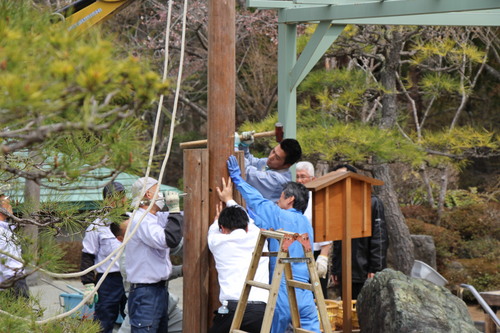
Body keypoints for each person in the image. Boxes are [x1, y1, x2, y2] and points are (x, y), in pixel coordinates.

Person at [226, 155, 320, 333]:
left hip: (283, 286)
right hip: (306, 289)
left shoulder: (280, 215)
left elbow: (257, 201)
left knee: (275, 328)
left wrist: (237, 179)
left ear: (290, 199)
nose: (278, 200)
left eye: (281, 197)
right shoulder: (306, 223)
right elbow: (265, 222)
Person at [207, 178, 269, 333]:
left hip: (233, 311)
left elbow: (213, 231)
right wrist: (229, 200)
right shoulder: (258, 237)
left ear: (222, 228)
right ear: (247, 227)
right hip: (261, 312)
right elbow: (247, 219)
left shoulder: (218, 242)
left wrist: (216, 222)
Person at [125, 177, 183, 333]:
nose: (162, 196)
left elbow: (178, 221)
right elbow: (168, 239)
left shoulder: (153, 218)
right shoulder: (141, 220)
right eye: (159, 191)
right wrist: (174, 209)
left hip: (156, 291)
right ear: (149, 194)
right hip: (146, 294)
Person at [329, 164, 389, 300]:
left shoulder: (372, 202)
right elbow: (337, 239)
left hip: (365, 269)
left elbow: (379, 238)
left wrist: (376, 269)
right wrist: (336, 268)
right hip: (344, 269)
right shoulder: (338, 204)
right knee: (345, 309)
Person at [80, 182, 128, 333]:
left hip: (132, 276)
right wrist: (88, 284)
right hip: (108, 280)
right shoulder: (97, 225)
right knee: (103, 322)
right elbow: (88, 255)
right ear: (106, 201)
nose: (118, 201)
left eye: (122, 196)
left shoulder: (134, 220)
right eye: (114, 197)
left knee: (134, 319)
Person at [296, 161, 331, 298]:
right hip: (296, 252)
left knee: (317, 294)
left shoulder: (318, 200)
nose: (300, 180)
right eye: (297, 177)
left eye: (303, 176)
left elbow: (326, 228)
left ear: (312, 179)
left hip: (315, 252)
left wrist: (324, 256)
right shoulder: (292, 198)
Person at [236, 134, 302, 203]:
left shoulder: (277, 180)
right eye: (273, 151)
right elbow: (252, 162)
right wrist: (243, 146)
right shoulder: (272, 164)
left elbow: (246, 172)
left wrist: (235, 148)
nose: (271, 157)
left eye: (277, 157)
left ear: (287, 165)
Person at [0, 187, 29, 298]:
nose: (11, 206)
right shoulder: (2, 232)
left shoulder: (6, 229)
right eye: (7, 203)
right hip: (11, 281)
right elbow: (8, 262)